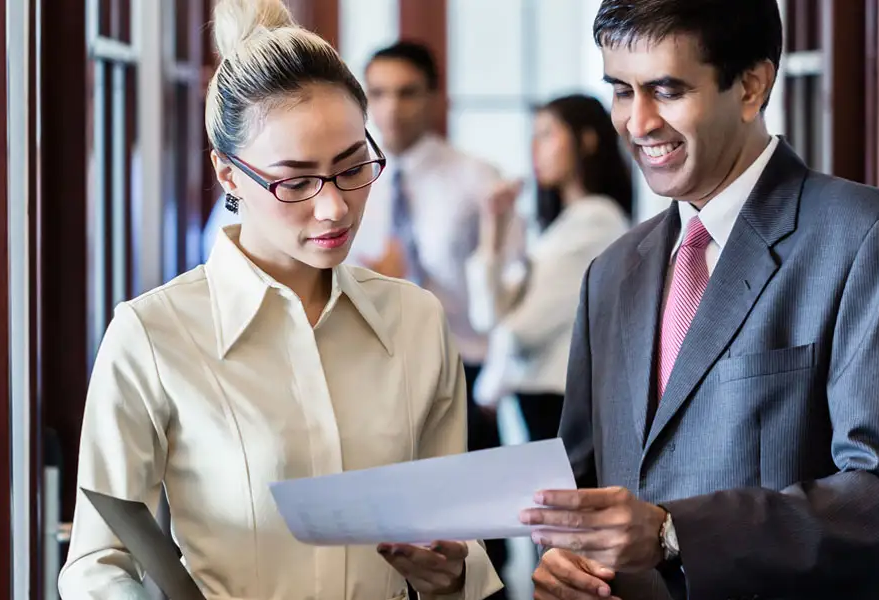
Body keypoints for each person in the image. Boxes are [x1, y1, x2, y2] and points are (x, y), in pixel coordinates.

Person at [58, 1, 502, 598]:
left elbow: (456, 543)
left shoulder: (416, 321)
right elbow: (98, 563)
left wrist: (452, 572)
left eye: (352, 168)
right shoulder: (153, 334)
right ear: (228, 175)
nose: (335, 208)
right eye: (295, 181)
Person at [522, 1, 879, 598]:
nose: (637, 123)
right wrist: (564, 558)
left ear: (751, 86)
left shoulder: (871, 237)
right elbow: (579, 483)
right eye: (621, 91)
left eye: (665, 91)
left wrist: (676, 533)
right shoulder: (611, 272)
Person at [352, 41, 523, 596]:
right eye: (377, 93)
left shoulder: (476, 179)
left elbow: (514, 286)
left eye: (406, 93)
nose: (391, 108)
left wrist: (496, 381)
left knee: (477, 547)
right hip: (374, 374)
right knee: (394, 538)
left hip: (463, 375)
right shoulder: (349, 181)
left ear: (432, 97)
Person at [466, 94, 632, 442]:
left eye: (547, 134)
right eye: (533, 136)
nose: (535, 149)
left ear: (586, 140)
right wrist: (492, 230)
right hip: (536, 400)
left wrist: (488, 388)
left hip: (556, 401)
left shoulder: (596, 221)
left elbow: (519, 331)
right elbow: (487, 315)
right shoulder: (559, 227)